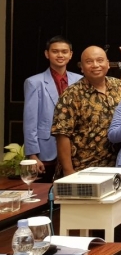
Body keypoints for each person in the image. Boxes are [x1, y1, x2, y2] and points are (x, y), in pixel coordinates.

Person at [51, 46, 121, 176]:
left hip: (115, 167)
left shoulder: (118, 86)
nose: (95, 65)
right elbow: (62, 134)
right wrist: (68, 171)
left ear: (108, 64)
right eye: (89, 62)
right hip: (82, 169)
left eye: (100, 60)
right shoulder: (71, 94)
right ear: (82, 67)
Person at [23, 36, 82, 181]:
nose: (60, 55)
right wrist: (32, 155)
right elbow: (30, 121)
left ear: (71, 55)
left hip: (76, 148)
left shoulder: (80, 80)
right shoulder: (34, 82)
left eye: (64, 51)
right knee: (46, 190)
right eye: (55, 51)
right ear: (47, 54)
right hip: (46, 149)